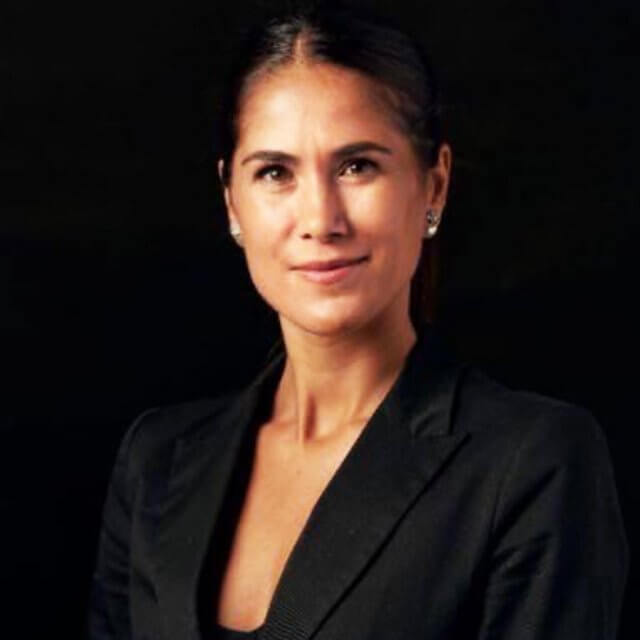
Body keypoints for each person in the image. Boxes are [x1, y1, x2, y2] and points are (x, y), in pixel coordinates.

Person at [87, 3, 629, 639]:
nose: (320, 219)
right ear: (232, 200)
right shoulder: (156, 460)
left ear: (435, 185)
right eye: (275, 173)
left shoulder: (531, 461)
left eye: (357, 166)